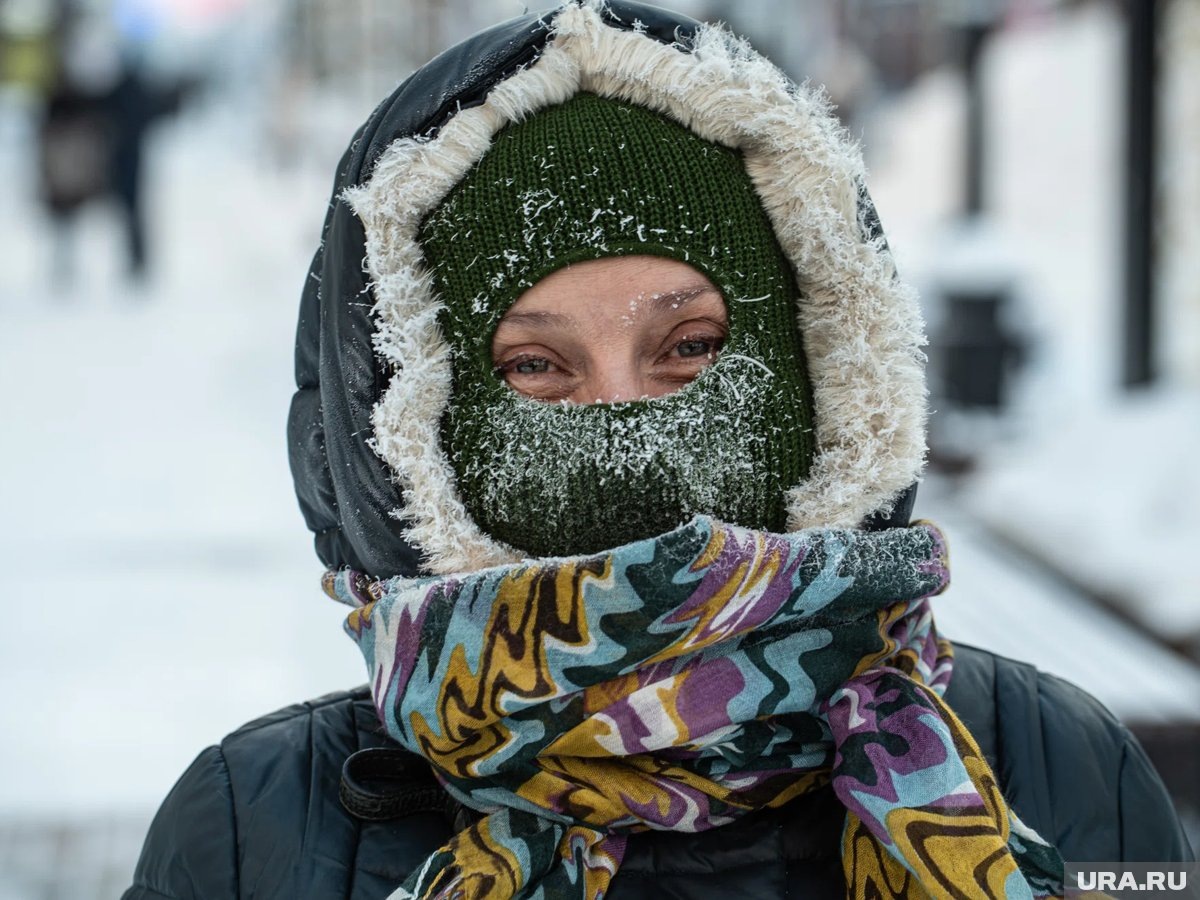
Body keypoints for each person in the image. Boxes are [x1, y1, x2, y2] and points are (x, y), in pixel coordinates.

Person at [122, 2, 1192, 898]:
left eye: (691, 347)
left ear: (821, 370)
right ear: (413, 436)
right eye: (537, 368)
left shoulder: (1058, 769)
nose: (629, 431)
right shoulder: (247, 832)